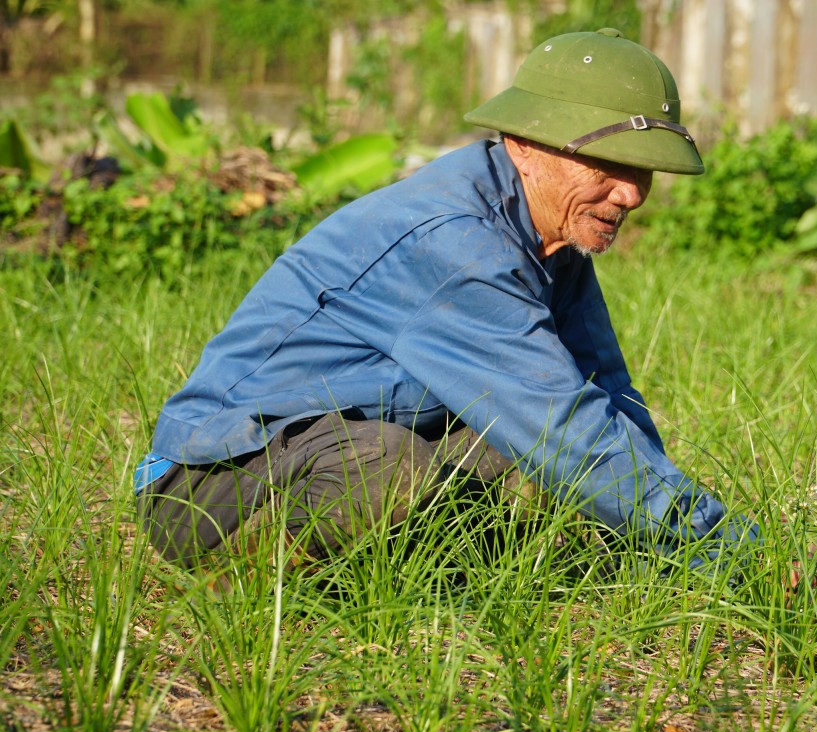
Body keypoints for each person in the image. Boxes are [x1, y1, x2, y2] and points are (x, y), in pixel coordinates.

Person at [135, 28, 758, 581]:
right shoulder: (456, 242)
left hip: (342, 438)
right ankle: (259, 575)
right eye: (609, 164)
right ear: (525, 144)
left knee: (519, 459)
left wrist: (674, 546)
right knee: (400, 466)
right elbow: (560, 427)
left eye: (645, 170)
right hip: (206, 486)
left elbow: (606, 394)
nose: (631, 194)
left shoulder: (552, 237)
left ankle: (427, 564)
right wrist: (731, 552)